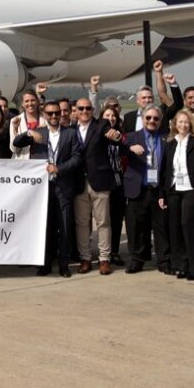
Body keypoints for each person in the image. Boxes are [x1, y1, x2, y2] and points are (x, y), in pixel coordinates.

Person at [13, 100, 84, 277]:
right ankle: (45, 263)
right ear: (44, 115)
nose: (54, 116)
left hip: (63, 187)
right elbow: (16, 142)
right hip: (42, 189)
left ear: (61, 114)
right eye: (50, 113)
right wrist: (28, 133)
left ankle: (64, 264)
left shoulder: (70, 133)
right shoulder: (39, 132)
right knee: (45, 227)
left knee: (65, 227)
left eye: (56, 113)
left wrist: (59, 168)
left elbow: (77, 158)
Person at [72, 97, 121, 275]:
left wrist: (116, 136)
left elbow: (113, 137)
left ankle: (104, 259)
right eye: (81, 108)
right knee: (82, 223)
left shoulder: (102, 125)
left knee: (103, 222)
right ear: (76, 111)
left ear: (93, 110)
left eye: (88, 108)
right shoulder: (70, 129)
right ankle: (85, 258)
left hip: (100, 181)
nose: (84, 111)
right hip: (79, 182)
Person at [163, 110, 194, 280]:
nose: (183, 125)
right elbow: (165, 170)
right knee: (175, 227)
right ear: (175, 124)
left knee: (189, 225)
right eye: (180, 122)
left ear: (190, 124)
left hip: (191, 188)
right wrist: (162, 193)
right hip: (174, 189)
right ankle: (181, 265)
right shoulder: (170, 144)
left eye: (186, 122)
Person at [120, 106, 167, 274]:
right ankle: (137, 260)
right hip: (138, 188)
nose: (152, 121)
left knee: (161, 227)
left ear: (160, 121)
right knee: (136, 227)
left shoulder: (166, 138)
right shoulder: (131, 137)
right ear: (143, 119)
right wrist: (129, 148)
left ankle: (163, 260)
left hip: (158, 190)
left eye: (155, 118)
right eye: (148, 118)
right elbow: (117, 148)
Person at [100, 103, 127, 266]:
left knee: (116, 218)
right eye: (107, 115)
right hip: (102, 180)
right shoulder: (97, 134)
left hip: (118, 179)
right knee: (103, 219)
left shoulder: (121, 135)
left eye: (113, 116)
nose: (110, 118)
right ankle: (103, 252)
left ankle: (114, 251)